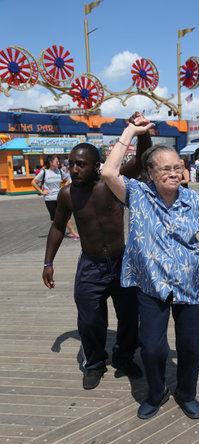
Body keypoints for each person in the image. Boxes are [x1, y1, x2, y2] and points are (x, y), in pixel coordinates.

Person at [101, 116, 199, 420]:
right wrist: (131, 131)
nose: (174, 173)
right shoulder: (138, 195)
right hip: (151, 286)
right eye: (166, 169)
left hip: (190, 285)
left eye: (178, 168)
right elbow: (108, 171)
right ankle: (156, 392)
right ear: (150, 173)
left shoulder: (194, 200)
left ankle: (186, 393)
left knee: (190, 347)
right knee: (153, 348)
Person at [42, 113, 152, 390]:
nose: (74, 169)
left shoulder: (111, 184)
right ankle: (94, 363)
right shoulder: (67, 194)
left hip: (122, 262)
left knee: (129, 317)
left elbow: (141, 159)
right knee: (90, 320)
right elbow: (57, 227)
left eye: (81, 164)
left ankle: (125, 357)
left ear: (97, 166)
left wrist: (142, 131)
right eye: (70, 164)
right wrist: (47, 263)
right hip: (91, 266)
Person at [32, 155, 79, 239]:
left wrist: (64, 188)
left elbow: (67, 180)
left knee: (67, 215)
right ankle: (56, 233)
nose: (58, 163)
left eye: (58, 161)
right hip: (49, 198)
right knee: (54, 218)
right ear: (51, 162)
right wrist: (42, 191)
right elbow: (34, 182)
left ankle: (73, 233)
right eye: (56, 161)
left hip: (60, 197)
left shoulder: (60, 171)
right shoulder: (44, 172)